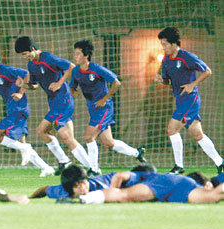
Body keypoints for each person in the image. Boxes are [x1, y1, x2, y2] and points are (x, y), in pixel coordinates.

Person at [14, 36, 94, 175]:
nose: (25, 57)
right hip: (54, 103)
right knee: (61, 136)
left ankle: (91, 168)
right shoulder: (31, 65)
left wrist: (59, 83)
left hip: (63, 100)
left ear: (32, 49)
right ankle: (70, 163)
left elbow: (71, 67)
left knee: (48, 132)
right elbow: (35, 85)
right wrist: (24, 85)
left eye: (25, 54)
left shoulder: (48, 58)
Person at [0, 45, 54, 177]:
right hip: (12, 111)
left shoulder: (6, 70)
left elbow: (26, 75)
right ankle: (46, 168)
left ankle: (26, 149)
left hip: (19, 110)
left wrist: (20, 93)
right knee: (22, 144)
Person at [70, 40, 146, 173]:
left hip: (104, 108)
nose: (75, 56)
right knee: (108, 143)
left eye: (78, 54)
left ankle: (94, 169)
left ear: (86, 56)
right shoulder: (76, 71)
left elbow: (116, 83)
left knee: (89, 137)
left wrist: (105, 99)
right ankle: (136, 153)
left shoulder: (96, 68)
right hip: (92, 108)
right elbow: (73, 86)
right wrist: (74, 92)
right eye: (74, 54)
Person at [154, 27, 223, 174]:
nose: (163, 47)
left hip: (190, 99)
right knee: (198, 135)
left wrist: (193, 84)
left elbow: (207, 71)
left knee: (172, 129)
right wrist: (162, 80)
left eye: (165, 44)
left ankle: (179, 166)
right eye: (162, 44)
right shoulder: (166, 60)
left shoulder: (186, 57)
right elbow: (168, 81)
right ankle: (220, 162)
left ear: (174, 43)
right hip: (180, 99)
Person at [76, 170, 224, 204]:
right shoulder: (138, 175)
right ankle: (86, 199)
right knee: (124, 196)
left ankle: (86, 199)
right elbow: (119, 176)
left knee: (124, 195)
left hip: (175, 183)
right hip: (177, 183)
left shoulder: (150, 176)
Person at [30, 163, 156, 200]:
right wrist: (30, 198)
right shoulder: (62, 191)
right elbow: (44, 189)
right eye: (77, 186)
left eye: (83, 183)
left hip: (131, 180)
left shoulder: (103, 185)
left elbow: (120, 177)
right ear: (70, 188)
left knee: (149, 172)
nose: (82, 188)